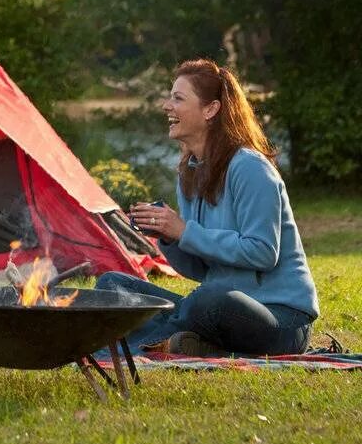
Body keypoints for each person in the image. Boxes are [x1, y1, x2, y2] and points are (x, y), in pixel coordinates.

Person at [95, 59, 319, 356]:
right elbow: (198, 268)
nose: (166, 106)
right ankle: (191, 341)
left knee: (207, 300)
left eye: (178, 98)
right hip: (216, 306)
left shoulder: (250, 168)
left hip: (280, 320)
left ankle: (149, 341)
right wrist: (169, 237)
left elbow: (263, 252)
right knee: (112, 286)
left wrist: (185, 230)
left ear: (210, 110)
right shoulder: (190, 172)